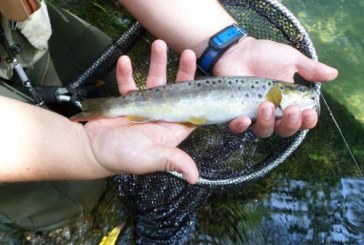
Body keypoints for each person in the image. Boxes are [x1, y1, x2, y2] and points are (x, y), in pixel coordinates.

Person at [0, 0, 337, 233]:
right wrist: (84, 150)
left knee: (94, 56)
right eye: (302, 93)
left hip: (13, 21)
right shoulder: (274, 93)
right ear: (282, 94)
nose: (307, 96)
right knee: (72, 195)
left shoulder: (272, 94)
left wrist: (227, 44)